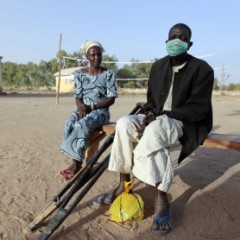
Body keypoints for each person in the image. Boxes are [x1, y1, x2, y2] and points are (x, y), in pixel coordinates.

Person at [93, 23, 214, 235]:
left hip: (184, 122)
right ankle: (124, 182)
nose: (177, 40)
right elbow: (151, 101)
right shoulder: (158, 67)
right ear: (167, 41)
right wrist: (148, 113)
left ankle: (161, 196)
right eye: (173, 36)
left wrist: (158, 117)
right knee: (123, 123)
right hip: (155, 118)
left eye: (182, 38)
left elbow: (199, 109)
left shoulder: (203, 70)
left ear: (189, 43)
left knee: (155, 130)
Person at [60, 40, 117, 180]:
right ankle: (75, 160)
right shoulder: (80, 74)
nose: (97, 57)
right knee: (69, 123)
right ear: (87, 56)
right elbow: (78, 96)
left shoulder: (109, 74)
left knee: (81, 125)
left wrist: (91, 107)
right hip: (84, 109)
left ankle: (77, 164)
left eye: (99, 54)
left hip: (100, 111)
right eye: (93, 55)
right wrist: (80, 107)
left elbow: (111, 99)